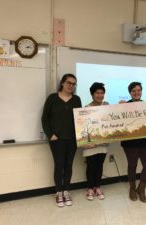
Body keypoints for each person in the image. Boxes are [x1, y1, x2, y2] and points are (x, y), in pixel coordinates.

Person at [41, 73, 82, 207]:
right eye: (69, 83)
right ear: (62, 83)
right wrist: (50, 134)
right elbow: (45, 118)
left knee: (68, 165)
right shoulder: (52, 98)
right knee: (59, 166)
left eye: (74, 84)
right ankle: (58, 192)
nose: (71, 86)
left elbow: (80, 118)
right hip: (57, 140)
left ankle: (66, 191)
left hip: (72, 139)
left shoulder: (76, 99)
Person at [120, 82, 146, 203]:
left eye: (138, 90)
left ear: (141, 91)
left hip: (144, 141)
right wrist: (119, 107)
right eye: (133, 91)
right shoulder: (125, 105)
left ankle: (141, 188)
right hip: (129, 143)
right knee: (132, 165)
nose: (136, 92)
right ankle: (132, 188)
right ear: (130, 92)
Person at [83, 82, 108, 201]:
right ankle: (90, 188)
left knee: (99, 165)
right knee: (91, 166)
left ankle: (97, 187)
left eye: (102, 93)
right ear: (92, 94)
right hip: (90, 143)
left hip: (103, 143)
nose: (100, 95)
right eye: (97, 93)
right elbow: (82, 127)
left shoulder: (107, 106)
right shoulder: (86, 109)